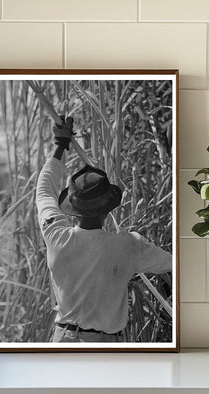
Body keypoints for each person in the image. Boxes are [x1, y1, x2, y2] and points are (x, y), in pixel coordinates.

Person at [36, 116, 172, 343]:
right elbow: (172, 265)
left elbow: (44, 189)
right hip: (107, 345)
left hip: (65, 340)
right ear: (108, 209)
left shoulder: (55, 235)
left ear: (72, 207)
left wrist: (61, 144)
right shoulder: (130, 245)